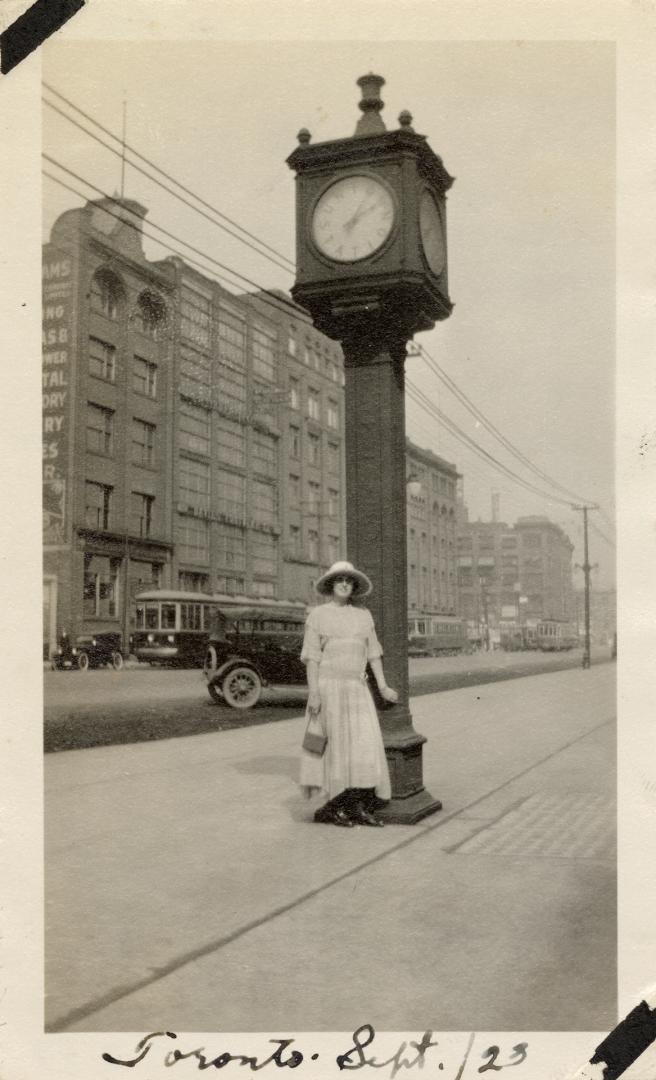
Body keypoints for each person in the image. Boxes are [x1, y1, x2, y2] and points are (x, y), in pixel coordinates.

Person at [299, 560, 398, 827]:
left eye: (349, 580)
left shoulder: (363, 615)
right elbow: (312, 658)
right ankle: (332, 806)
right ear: (331, 584)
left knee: (362, 747)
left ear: (353, 586)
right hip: (328, 690)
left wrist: (383, 685)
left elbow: (373, 654)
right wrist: (314, 694)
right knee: (330, 749)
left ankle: (356, 806)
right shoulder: (318, 615)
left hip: (356, 690)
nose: (344, 584)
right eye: (339, 579)